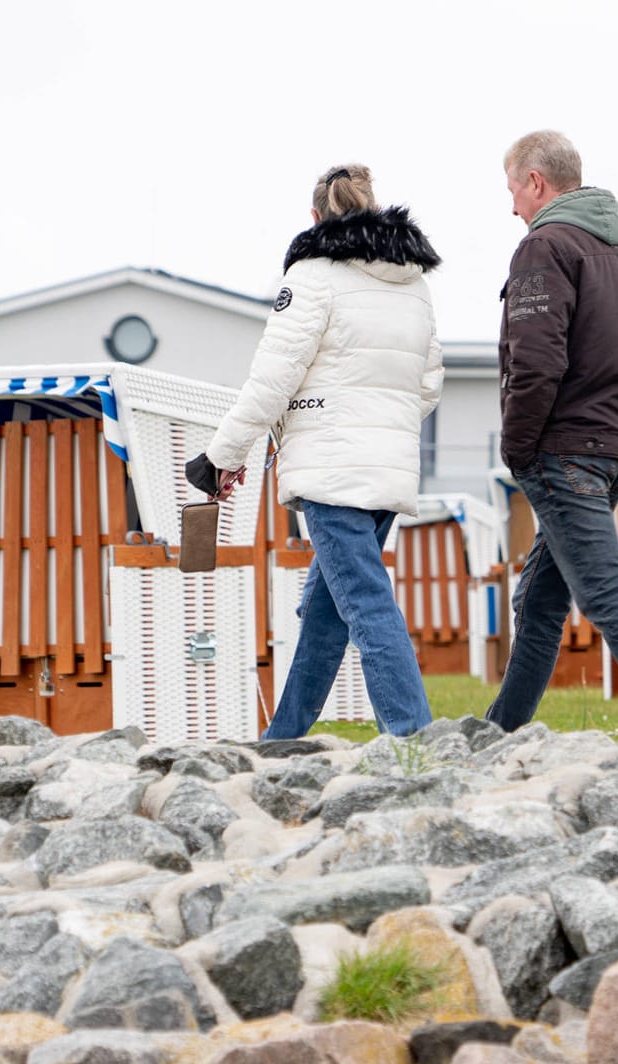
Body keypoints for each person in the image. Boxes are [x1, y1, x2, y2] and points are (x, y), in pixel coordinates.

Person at [186, 164, 442, 739]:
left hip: (330, 470)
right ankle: (282, 740)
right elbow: (428, 387)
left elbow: (271, 381)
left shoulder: (311, 275)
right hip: (388, 471)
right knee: (327, 618)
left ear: (314, 217)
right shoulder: (414, 285)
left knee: (369, 608)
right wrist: (380, 427)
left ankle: (414, 740)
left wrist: (222, 455)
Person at [485, 131, 618, 737]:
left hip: (563, 448)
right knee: (542, 600)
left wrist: (518, 446)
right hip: (615, 447)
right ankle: (500, 733)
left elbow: (537, 361)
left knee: (604, 593)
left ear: (536, 182)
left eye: (513, 191)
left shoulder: (544, 247)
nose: (513, 208)